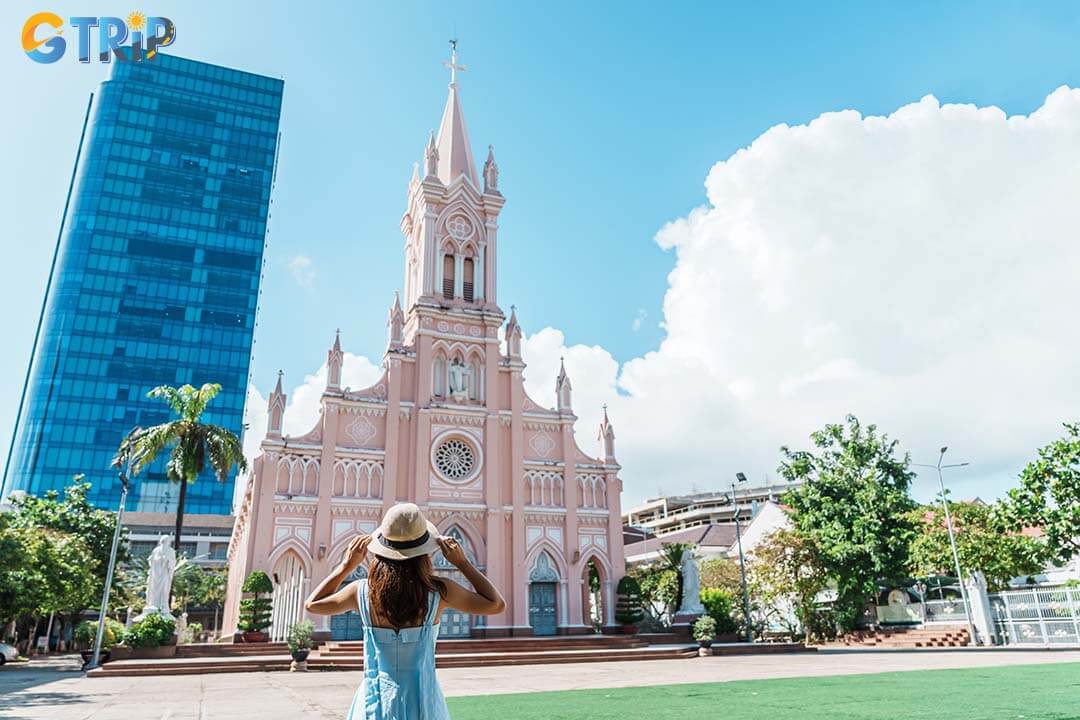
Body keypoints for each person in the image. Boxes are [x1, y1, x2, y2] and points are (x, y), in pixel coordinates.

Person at [306, 503, 505, 720]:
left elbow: (313, 604)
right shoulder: (439, 592)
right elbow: (496, 604)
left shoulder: (361, 591)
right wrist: (463, 563)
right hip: (423, 705)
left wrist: (346, 565)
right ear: (423, 552)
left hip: (374, 704)